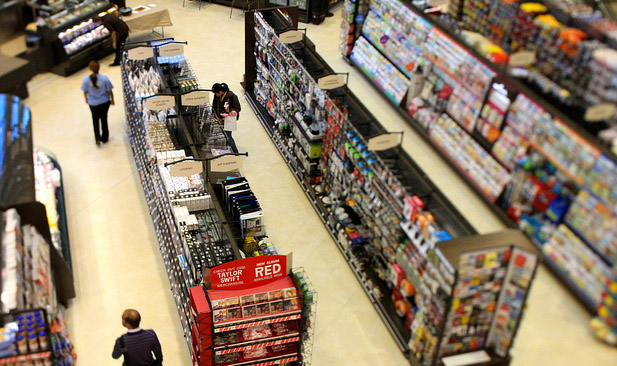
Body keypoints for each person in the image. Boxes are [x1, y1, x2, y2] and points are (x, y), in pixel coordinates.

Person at [82, 60, 114, 146]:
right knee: (104, 119)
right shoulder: (104, 79)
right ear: (99, 67)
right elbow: (109, 91)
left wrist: (86, 99)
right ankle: (105, 138)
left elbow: (85, 91)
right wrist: (112, 100)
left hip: (93, 103)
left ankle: (97, 138)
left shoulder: (86, 79)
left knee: (95, 120)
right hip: (104, 102)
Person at [212, 82, 241, 153]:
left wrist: (229, 112)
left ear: (221, 92)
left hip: (229, 119)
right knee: (223, 135)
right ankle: (226, 149)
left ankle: (235, 152)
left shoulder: (232, 97)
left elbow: (238, 108)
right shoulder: (217, 96)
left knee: (228, 136)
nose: (215, 94)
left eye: (216, 93)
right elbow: (214, 105)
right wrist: (214, 113)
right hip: (220, 118)